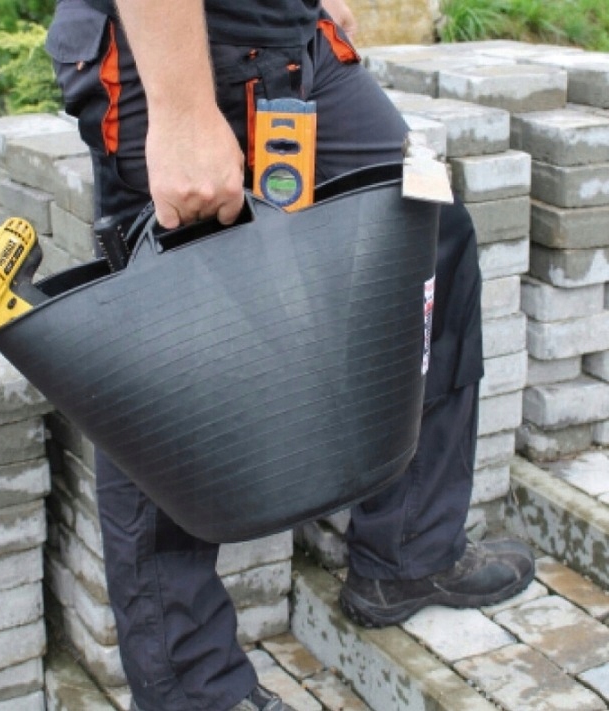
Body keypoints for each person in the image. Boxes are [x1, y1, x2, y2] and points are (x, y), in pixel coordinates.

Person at [45, 1, 535, 709]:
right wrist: (182, 113)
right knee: (171, 346)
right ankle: (194, 691)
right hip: (176, 50)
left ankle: (407, 550)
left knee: (426, 233)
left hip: (287, 35)